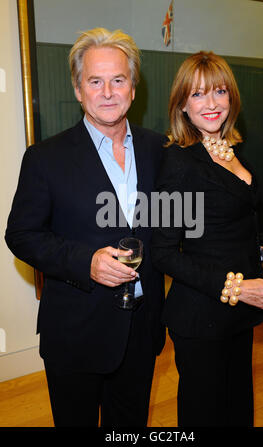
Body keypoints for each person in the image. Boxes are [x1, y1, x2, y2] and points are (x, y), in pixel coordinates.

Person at [5, 27, 165, 427]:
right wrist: (85, 261)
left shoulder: (159, 149)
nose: (107, 91)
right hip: (75, 331)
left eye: (118, 79)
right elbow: (21, 234)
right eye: (95, 81)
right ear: (79, 89)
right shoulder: (44, 158)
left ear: (133, 87)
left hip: (141, 329)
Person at [151, 51, 263, 427]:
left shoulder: (232, 150)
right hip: (201, 317)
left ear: (232, 97)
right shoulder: (178, 163)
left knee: (238, 409)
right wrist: (238, 287)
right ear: (181, 105)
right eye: (197, 94)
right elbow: (162, 252)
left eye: (220, 91)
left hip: (238, 316)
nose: (211, 104)